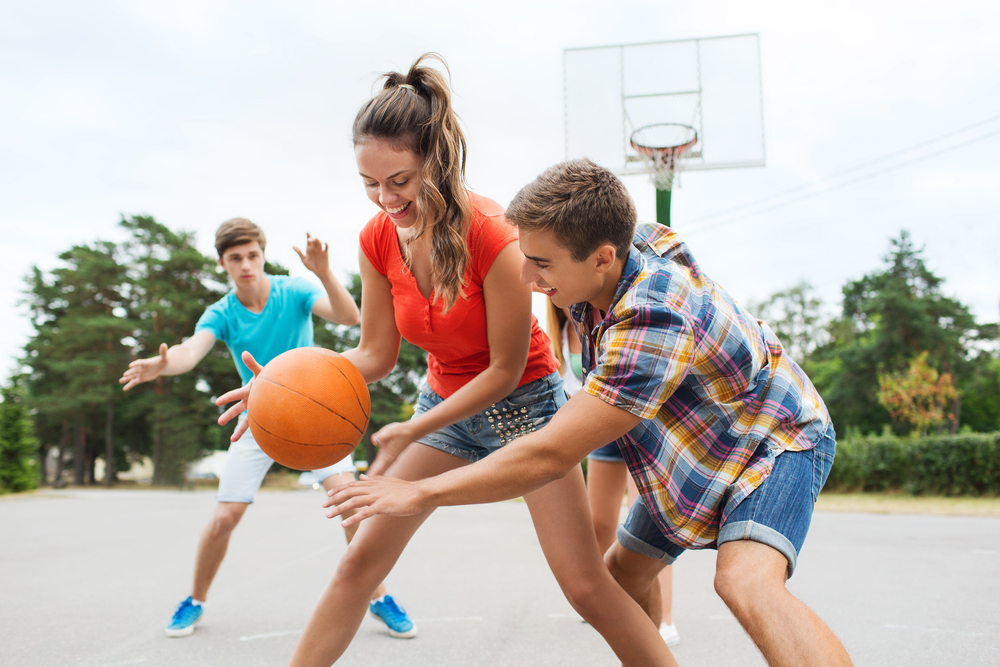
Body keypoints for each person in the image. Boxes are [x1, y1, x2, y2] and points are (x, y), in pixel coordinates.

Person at [217, 55, 674, 666]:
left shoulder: (495, 234)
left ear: (436, 158)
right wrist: (279, 384)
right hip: (443, 408)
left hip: (528, 411)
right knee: (358, 564)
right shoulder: (376, 237)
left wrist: (414, 427)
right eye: (370, 184)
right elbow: (375, 354)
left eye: (399, 181)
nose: (385, 199)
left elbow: (504, 371)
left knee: (587, 588)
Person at [329, 159, 855, 667]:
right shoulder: (616, 245)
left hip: (771, 437)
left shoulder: (651, 321)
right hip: (692, 448)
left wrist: (419, 492)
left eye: (542, 264)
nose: (528, 277)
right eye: (526, 255)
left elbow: (551, 452)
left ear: (602, 258)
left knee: (743, 582)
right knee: (620, 582)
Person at [119, 219, 416, 640]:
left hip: (316, 415)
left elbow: (349, 317)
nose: (246, 265)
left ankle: (378, 595)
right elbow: (189, 352)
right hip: (257, 418)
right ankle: (195, 599)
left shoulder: (292, 291)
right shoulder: (222, 312)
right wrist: (163, 365)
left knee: (349, 503)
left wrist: (323, 271)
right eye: (235, 258)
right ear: (222, 262)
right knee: (225, 517)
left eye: (252, 255)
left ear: (262, 254)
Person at [544, 298, 680, 647]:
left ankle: (663, 620)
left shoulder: (606, 315)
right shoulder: (558, 332)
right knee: (599, 524)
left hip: (639, 426)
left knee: (649, 527)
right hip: (600, 434)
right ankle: (616, 599)